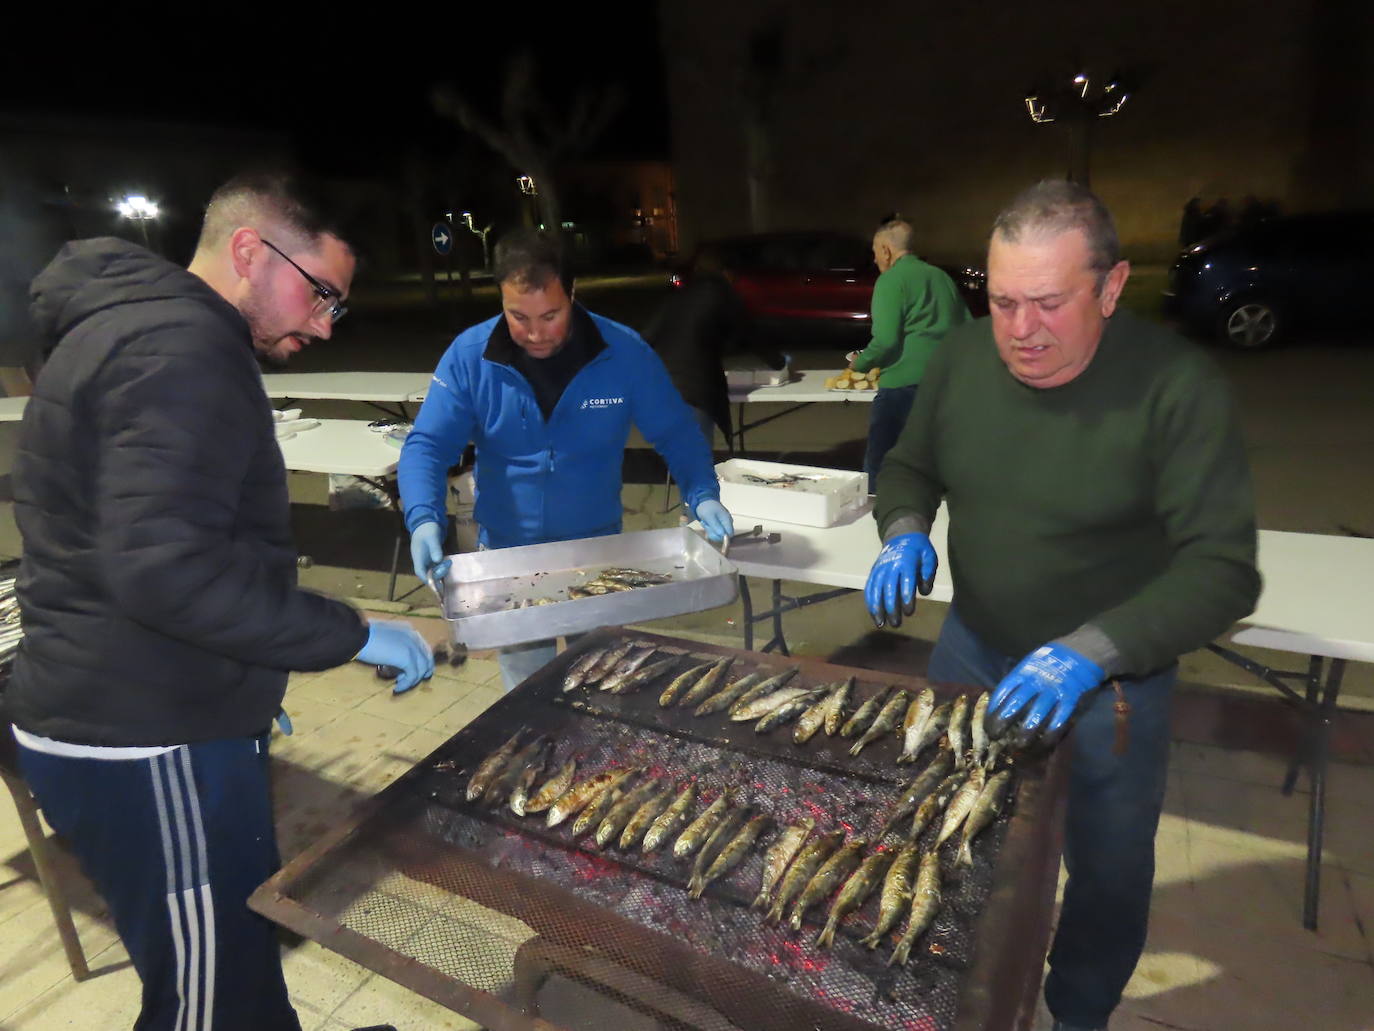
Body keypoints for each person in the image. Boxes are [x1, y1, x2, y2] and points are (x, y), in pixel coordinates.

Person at [6, 171, 433, 1031]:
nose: (322, 321)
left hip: (163, 699)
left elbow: (148, 537)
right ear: (249, 251)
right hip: (142, 736)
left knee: (234, 949)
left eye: (335, 307)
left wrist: (240, 672)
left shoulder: (135, 330)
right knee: (206, 1002)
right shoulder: (180, 349)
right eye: (319, 293)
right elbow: (166, 569)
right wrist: (349, 631)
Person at [864, 181, 1260, 1031]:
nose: (1020, 329)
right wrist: (902, 528)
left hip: (1111, 687)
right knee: (944, 827)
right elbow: (908, 464)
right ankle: (943, 982)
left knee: (1108, 869)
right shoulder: (963, 358)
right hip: (972, 649)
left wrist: (1092, 647)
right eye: (1003, 301)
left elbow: (1223, 572)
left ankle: (1078, 1012)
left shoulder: (1176, 388)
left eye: (1048, 302)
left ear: (1111, 288)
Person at [399, 229, 733, 691]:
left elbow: (676, 431)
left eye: (550, 315)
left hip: (597, 552)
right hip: (508, 558)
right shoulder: (470, 358)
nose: (535, 333)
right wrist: (423, 520)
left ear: (572, 294)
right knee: (526, 689)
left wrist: (702, 492)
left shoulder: (625, 354)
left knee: (601, 681)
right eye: (518, 316)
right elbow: (428, 445)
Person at [845, 215, 969, 490]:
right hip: (945, 383)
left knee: (882, 465)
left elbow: (886, 341)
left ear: (886, 251)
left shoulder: (891, 281)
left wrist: (860, 363)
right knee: (934, 464)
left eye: (875, 252)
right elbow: (966, 329)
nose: (875, 260)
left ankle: (876, 522)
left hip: (903, 386)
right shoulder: (940, 277)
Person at [642, 252, 787, 449]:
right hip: (693, 386)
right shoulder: (722, 293)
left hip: (661, 385)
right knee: (697, 457)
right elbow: (750, 334)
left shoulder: (679, 295)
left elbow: (646, 337)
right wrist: (779, 363)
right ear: (727, 273)